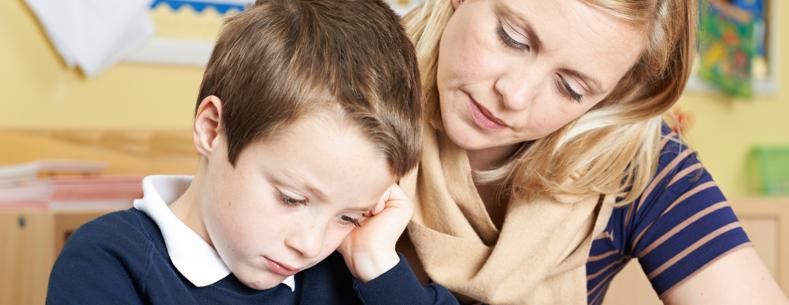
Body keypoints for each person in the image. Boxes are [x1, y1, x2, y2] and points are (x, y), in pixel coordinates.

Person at [45, 1, 461, 304]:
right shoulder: (108, 261)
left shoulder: (340, 274)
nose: (309, 244)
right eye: (291, 198)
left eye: (349, 216)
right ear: (212, 129)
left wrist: (377, 263)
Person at [396, 0, 789, 304]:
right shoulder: (347, 83)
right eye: (512, 38)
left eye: (570, 88)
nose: (513, 95)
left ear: (612, 96)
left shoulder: (639, 165)